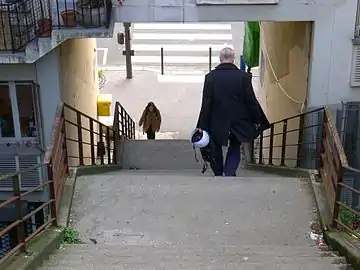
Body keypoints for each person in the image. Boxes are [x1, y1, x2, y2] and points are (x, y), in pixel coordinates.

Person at [196, 47, 270, 176]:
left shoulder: (210, 77)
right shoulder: (243, 77)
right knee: (235, 144)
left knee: (216, 145)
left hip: (217, 120)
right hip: (238, 120)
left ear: (220, 59)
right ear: (233, 59)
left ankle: (218, 172)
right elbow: (250, 100)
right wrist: (257, 119)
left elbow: (206, 103)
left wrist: (201, 125)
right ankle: (230, 171)